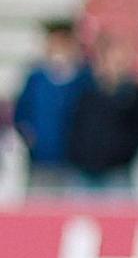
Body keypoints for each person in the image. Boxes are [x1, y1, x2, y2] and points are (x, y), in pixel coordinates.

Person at [64, 32, 138, 192]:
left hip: (118, 174)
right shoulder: (84, 90)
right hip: (83, 173)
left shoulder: (135, 95)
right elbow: (71, 125)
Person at [12, 20, 92, 192]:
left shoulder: (85, 78)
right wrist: (28, 135)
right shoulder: (36, 78)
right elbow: (22, 112)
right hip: (41, 161)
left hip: (75, 163)